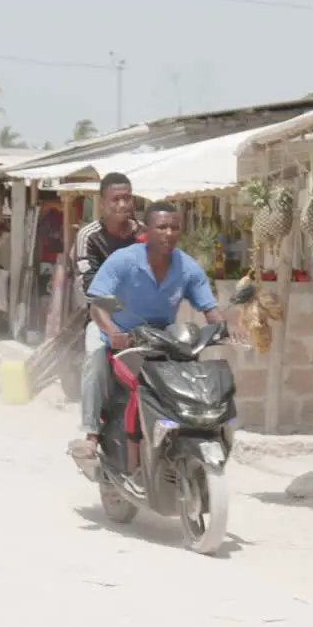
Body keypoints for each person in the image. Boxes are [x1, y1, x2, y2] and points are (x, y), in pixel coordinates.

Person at [84, 200, 226, 486]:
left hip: (163, 341)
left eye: (174, 227)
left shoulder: (187, 267)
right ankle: (92, 436)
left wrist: (223, 329)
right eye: (161, 227)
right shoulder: (123, 260)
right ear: (147, 229)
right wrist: (112, 332)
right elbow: (98, 305)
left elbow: (209, 308)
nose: (169, 233)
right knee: (99, 363)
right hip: (120, 337)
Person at [69, 173, 142, 461]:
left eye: (127, 198)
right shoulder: (90, 236)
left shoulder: (144, 234)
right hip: (103, 320)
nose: (123, 204)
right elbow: (90, 286)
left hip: (142, 319)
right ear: (102, 203)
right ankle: (91, 434)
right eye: (116, 199)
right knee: (96, 355)